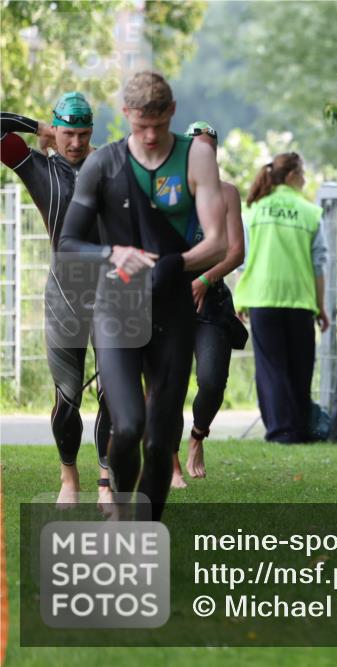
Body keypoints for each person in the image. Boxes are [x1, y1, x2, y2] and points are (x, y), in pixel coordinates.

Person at [59, 71, 228, 521]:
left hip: (172, 307)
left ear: (172, 112)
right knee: (129, 424)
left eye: (158, 124)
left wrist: (172, 264)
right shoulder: (104, 164)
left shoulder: (196, 158)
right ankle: (118, 507)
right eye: (140, 126)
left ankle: (145, 528)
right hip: (117, 305)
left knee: (159, 438)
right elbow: (69, 244)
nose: (151, 136)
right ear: (126, 116)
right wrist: (113, 253)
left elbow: (218, 243)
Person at [1, 93, 112, 509]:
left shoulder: (110, 167)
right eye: (67, 133)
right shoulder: (37, 167)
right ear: (56, 130)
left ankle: (107, 478)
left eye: (84, 134)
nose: (76, 142)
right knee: (68, 396)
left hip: (112, 290)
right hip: (64, 291)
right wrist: (34, 127)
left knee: (112, 393)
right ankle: (69, 476)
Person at [169, 121, 246, 488]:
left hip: (210, 297)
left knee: (213, 381)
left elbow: (236, 252)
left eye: (210, 151)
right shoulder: (168, 191)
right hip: (171, 297)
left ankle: (198, 436)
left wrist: (205, 279)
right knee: (168, 384)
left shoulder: (227, 193)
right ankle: (171, 467)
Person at [233, 152, 329, 443]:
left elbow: (242, 260)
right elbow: (318, 263)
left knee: (271, 368)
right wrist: (320, 305)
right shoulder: (310, 211)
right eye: (302, 175)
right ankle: (299, 429)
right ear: (291, 176)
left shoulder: (252, 210)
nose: (305, 180)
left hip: (262, 299)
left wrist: (241, 299)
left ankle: (279, 431)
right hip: (299, 299)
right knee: (300, 367)